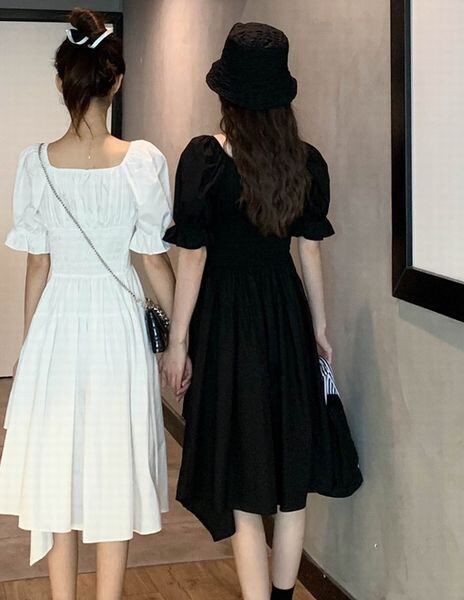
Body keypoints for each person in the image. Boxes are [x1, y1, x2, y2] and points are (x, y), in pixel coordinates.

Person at [162, 22, 358, 600]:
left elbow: (194, 258)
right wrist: (318, 328)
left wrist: (178, 342)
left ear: (226, 96)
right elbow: (309, 250)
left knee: (243, 476)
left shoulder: (205, 160)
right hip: (285, 316)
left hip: (227, 324)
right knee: (289, 475)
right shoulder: (305, 162)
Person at [0, 9, 176, 600]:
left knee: (58, 471)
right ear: (116, 80)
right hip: (118, 326)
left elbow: (37, 265)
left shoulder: (36, 163)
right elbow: (152, 260)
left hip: (56, 326)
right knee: (113, 464)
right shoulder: (143, 161)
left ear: (60, 82)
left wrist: (28, 345)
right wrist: (181, 336)